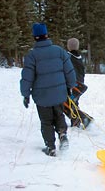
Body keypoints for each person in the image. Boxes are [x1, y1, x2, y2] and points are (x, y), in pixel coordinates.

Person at [20, 23, 76, 157]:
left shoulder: (32, 55)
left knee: (46, 122)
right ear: (46, 35)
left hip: (42, 96)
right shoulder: (59, 51)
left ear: (35, 37)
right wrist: (70, 86)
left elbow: (27, 77)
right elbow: (69, 71)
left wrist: (25, 94)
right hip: (59, 93)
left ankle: (50, 147)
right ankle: (62, 134)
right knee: (59, 115)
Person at [66, 38, 91, 128]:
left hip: (73, 85)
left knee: (69, 102)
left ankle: (83, 119)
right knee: (74, 102)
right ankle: (76, 121)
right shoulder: (79, 57)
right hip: (80, 85)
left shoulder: (68, 57)